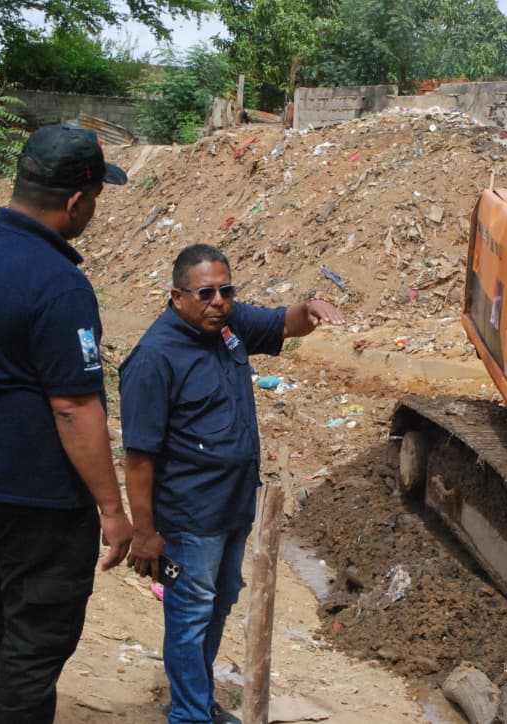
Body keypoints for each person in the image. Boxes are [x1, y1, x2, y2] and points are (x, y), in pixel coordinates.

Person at [0, 124, 133, 723]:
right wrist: (113, 512)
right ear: (76, 199)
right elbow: (74, 407)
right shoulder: (59, 283)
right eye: (94, 198)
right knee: (37, 639)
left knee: (1, 617)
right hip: (33, 495)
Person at [120, 243, 344, 724]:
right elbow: (138, 457)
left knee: (218, 606)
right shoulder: (154, 359)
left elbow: (285, 323)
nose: (218, 301)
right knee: (190, 617)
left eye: (225, 290)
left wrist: (309, 309)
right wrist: (143, 532)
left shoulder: (229, 325)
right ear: (177, 296)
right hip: (189, 518)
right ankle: (189, 715)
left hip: (233, 508)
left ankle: (198, 703)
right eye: (205, 293)